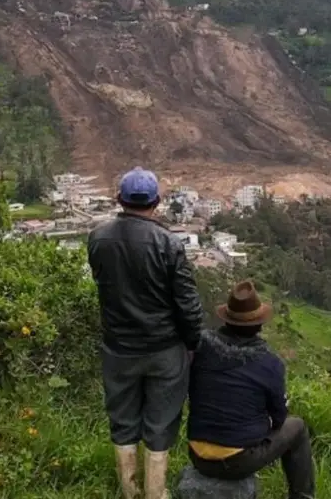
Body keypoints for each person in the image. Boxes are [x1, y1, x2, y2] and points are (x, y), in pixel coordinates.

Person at [87, 167, 204, 499]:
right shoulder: (168, 243)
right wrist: (192, 343)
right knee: (161, 420)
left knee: (122, 419)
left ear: (120, 199)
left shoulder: (98, 238)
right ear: (157, 201)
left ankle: (129, 490)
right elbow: (188, 303)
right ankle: (156, 492)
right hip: (164, 349)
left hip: (118, 348)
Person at [186, 280, 316, 499]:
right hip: (237, 462)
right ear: (259, 325)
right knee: (298, 428)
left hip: (197, 454)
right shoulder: (269, 363)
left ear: (226, 319)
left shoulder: (201, 347)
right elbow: (279, 417)